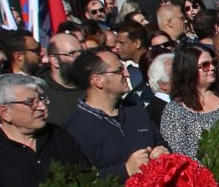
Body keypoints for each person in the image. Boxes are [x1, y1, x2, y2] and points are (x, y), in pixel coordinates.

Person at [64, 48, 168, 178]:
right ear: (98, 80)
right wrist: (125, 170)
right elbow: (81, 180)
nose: (127, 74)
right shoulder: (76, 128)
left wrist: (162, 150)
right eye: (119, 70)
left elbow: (159, 140)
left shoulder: (135, 110)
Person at [159, 41, 219, 160]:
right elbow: (178, 156)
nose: (212, 68)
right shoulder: (174, 111)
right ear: (189, 70)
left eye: (214, 63)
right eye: (205, 65)